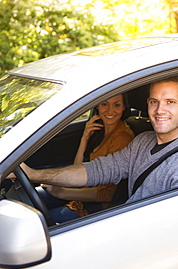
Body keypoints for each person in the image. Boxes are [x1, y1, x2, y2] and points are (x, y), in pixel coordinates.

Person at [12, 74, 178, 212]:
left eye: (170, 102)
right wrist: (34, 174)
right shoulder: (143, 141)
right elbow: (97, 170)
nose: (159, 110)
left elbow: (176, 228)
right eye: (154, 101)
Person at [38, 93, 135, 222]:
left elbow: (108, 194)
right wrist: (85, 138)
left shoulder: (122, 138)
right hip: (81, 191)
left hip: (97, 205)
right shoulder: (99, 129)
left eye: (116, 105)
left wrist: (62, 192)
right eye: (104, 104)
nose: (110, 110)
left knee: (40, 222)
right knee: (33, 196)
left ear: (124, 107)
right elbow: (77, 167)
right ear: (98, 106)